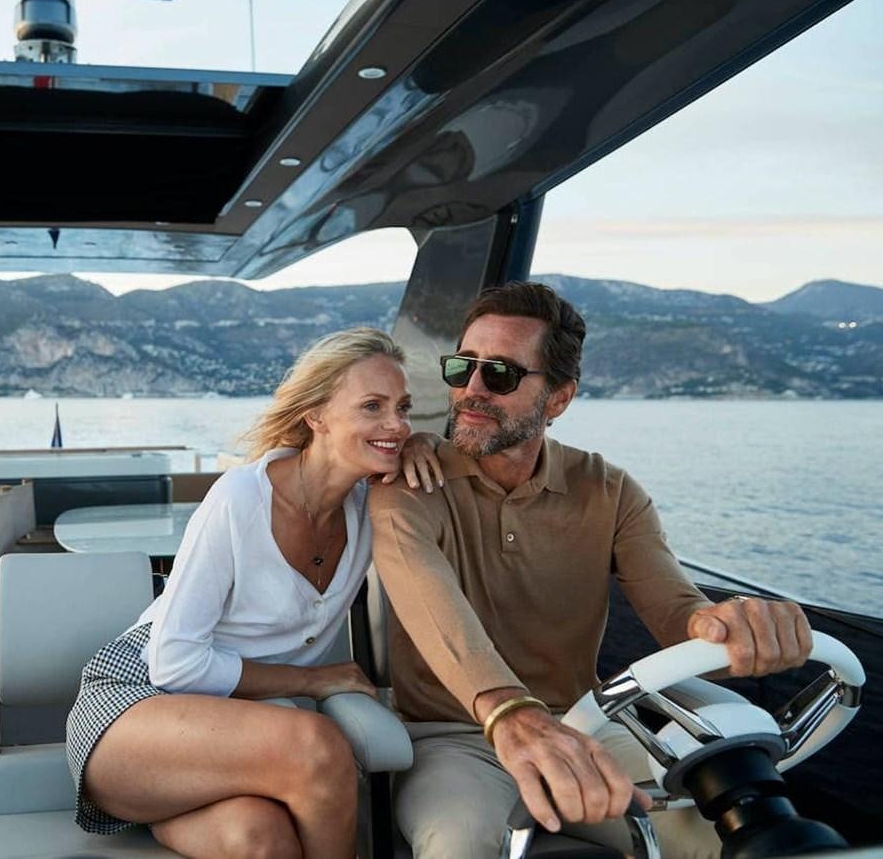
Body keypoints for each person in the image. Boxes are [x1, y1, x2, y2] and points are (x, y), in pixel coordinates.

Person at [369, 282, 814, 858]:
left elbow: (679, 613)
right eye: (463, 367)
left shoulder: (610, 491)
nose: (471, 390)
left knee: (729, 835)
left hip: (585, 724)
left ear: (557, 399)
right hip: (450, 740)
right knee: (462, 842)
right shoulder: (408, 485)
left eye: (500, 374)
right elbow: (433, 606)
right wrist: (509, 712)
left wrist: (734, 625)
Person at [66, 327, 428, 858]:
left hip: (232, 739)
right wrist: (312, 679)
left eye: (404, 408)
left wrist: (431, 445)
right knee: (318, 746)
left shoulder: (373, 508)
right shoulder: (240, 498)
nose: (395, 425)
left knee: (263, 841)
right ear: (316, 416)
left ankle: (172, 807)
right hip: (134, 704)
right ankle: (169, 793)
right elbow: (173, 663)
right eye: (373, 406)